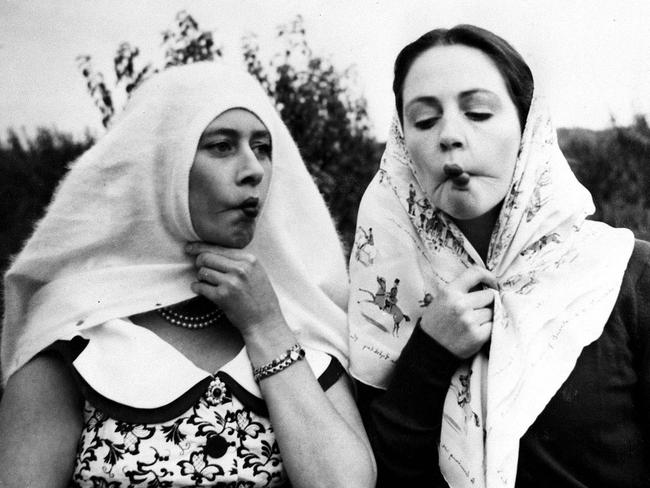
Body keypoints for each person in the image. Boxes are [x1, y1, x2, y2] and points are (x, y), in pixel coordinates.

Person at [0, 62, 376, 488]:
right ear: (160, 166)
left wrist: (265, 326)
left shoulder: (297, 309)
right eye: (221, 146)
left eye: (263, 147)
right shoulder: (74, 332)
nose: (253, 168)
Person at [348, 24, 650, 488]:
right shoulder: (384, 297)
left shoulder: (626, 278)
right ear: (403, 146)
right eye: (424, 121)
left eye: (479, 112)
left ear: (529, 129)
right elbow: (381, 476)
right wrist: (429, 354)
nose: (449, 135)